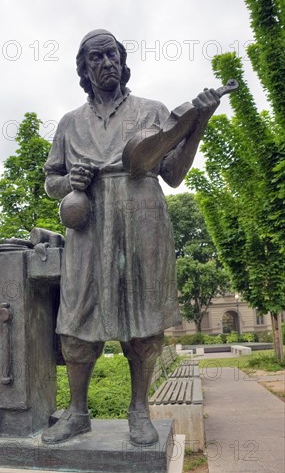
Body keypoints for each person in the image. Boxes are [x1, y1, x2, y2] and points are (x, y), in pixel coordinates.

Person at [42, 29, 219, 445]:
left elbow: (173, 174)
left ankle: (140, 410)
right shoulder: (70, 123)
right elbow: (51, 182)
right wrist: (70, 178)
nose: (107, 63)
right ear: (84, 70)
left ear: (122, 61)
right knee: (77, 316)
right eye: (97, 59)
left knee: (143, 317)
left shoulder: (152, 111)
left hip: (142, 222)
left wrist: (200, 124)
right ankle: (77, 412)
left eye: (113, 55)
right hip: (89, 225)